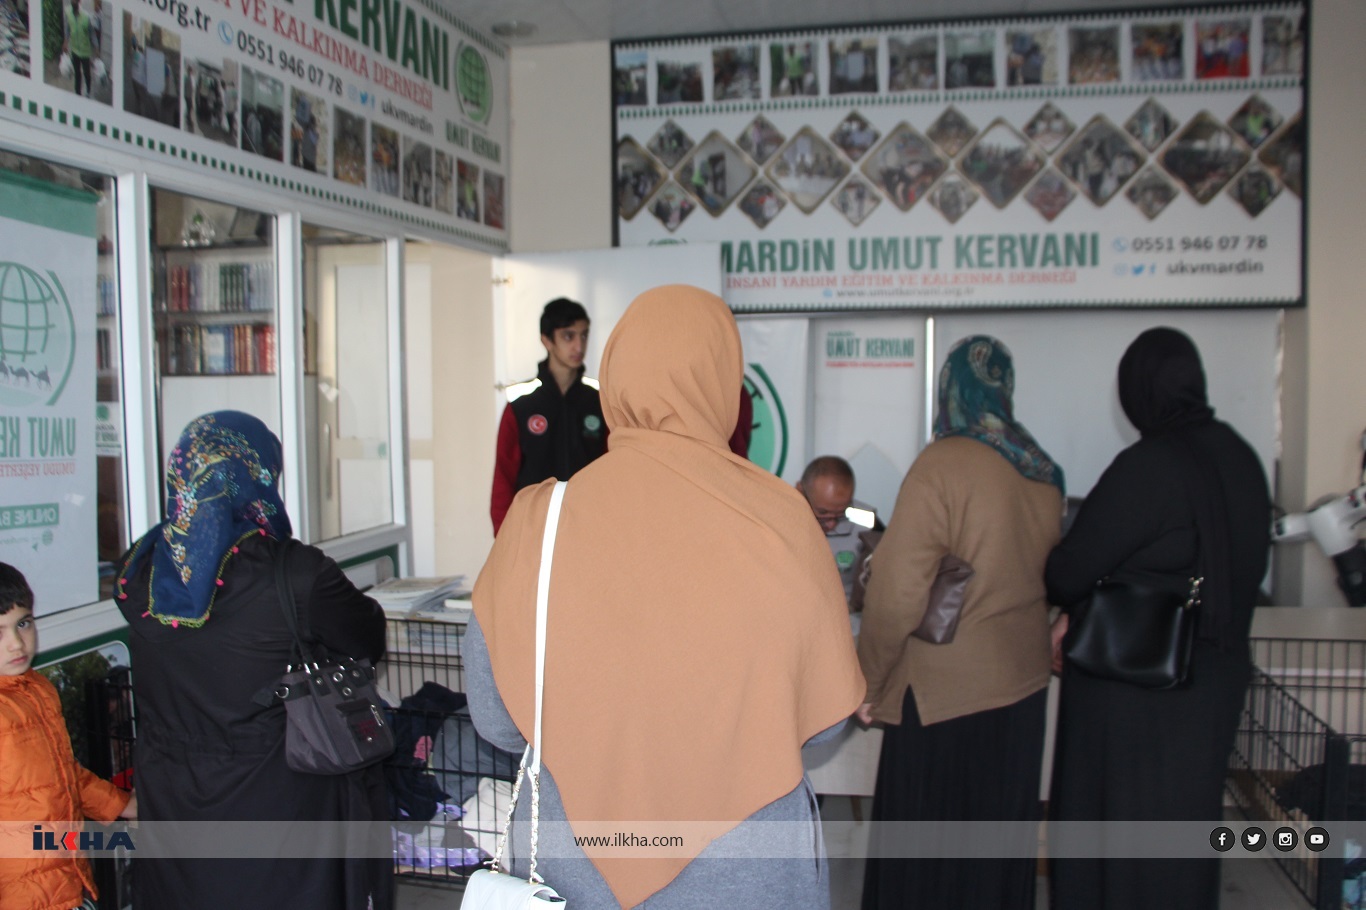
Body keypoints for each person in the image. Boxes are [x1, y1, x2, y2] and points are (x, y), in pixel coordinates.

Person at [468, 284, 865, 908]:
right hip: (749, 869)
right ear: (725, 386)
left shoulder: (538, 521)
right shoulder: (785, 521)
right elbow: (825, 722)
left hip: (574, 870)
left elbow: (496, 718)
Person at [114, 411, 391, 910]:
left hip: (172, 797)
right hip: (276, 796)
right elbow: (365, 635)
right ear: (258, 475)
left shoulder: (140, 570)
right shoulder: (293, 572)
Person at [1046, 328, 1271, 910]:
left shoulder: (1149, 466)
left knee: (1117, 837)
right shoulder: (1242, 457)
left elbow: (1068, 572)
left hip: (1138, 694)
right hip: (1216, 680)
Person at [857, 335, 1065, 910]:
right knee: (994, 856)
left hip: (944, 697)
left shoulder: (942, 463)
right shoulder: (1042, 468)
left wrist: (868, 683)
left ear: (951, 389)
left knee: (927, 863)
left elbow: (897, 593)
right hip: (1021, 687)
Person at [1, 562, 135, 910]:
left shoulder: (39, 690)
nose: (16, 643)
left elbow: (63, 773)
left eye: (23, 623)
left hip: (66, 877)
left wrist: (121, 805)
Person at [490, 298, 607, 534]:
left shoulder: (599, 402)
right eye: (568, 336)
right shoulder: (521, 406)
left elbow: (614, 470)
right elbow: (503, 480)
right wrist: (504, 539)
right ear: (546, 340)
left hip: (589, 529)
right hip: (534, 530)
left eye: (584, 335)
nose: (578, 346)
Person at [797, 455, 878, 608]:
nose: (832, 523)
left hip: (846, 610)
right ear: (800, 491)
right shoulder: (781, 519)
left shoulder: (866, 520)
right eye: (822, 513)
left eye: (840, 514)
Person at [63, 0, 93, 98]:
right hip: (75, 50)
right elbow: (68, 28)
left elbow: (91, 34)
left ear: (79, 2)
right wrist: (66, 42)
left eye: (76, 0)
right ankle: (78, 94)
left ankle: (88, 90)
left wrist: (96, 48)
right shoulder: (68, 12)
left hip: (85, 52)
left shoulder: (86, 17)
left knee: (87, 74)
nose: (73, 1)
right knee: (77, 74)